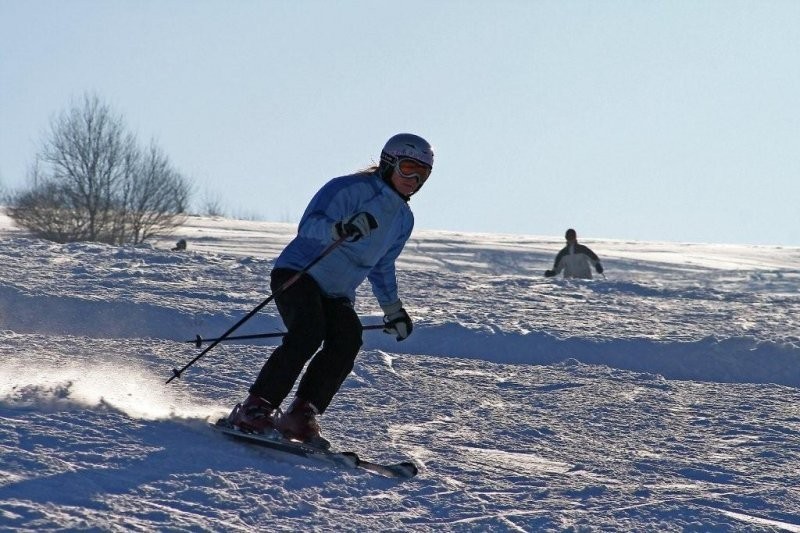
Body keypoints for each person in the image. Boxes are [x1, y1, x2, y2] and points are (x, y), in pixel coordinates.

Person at [226, 133, 434, 448]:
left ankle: (301, 413)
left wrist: (393, 310)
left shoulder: (404, 219)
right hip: (299, 273)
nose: (414, 179)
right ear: (389, 162)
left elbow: (382, 266)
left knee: (348, 338)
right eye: (408, 168)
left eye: (423, 173)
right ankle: (256, 407)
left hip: (337, 292)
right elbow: (309, 224)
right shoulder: (349, 189)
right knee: (309, 331)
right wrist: (339, 228)